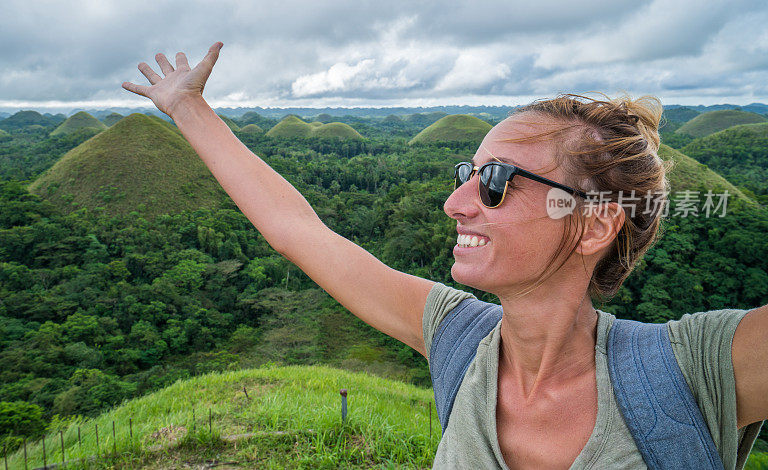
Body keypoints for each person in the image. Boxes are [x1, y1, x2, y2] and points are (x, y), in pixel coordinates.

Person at [123, 43, 767, 469]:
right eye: (469, 171)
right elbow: (300, 231)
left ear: (593, 223)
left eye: (495, 182)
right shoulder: (456, 334)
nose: (455, 203)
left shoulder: (699, 371)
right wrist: (187, 107)